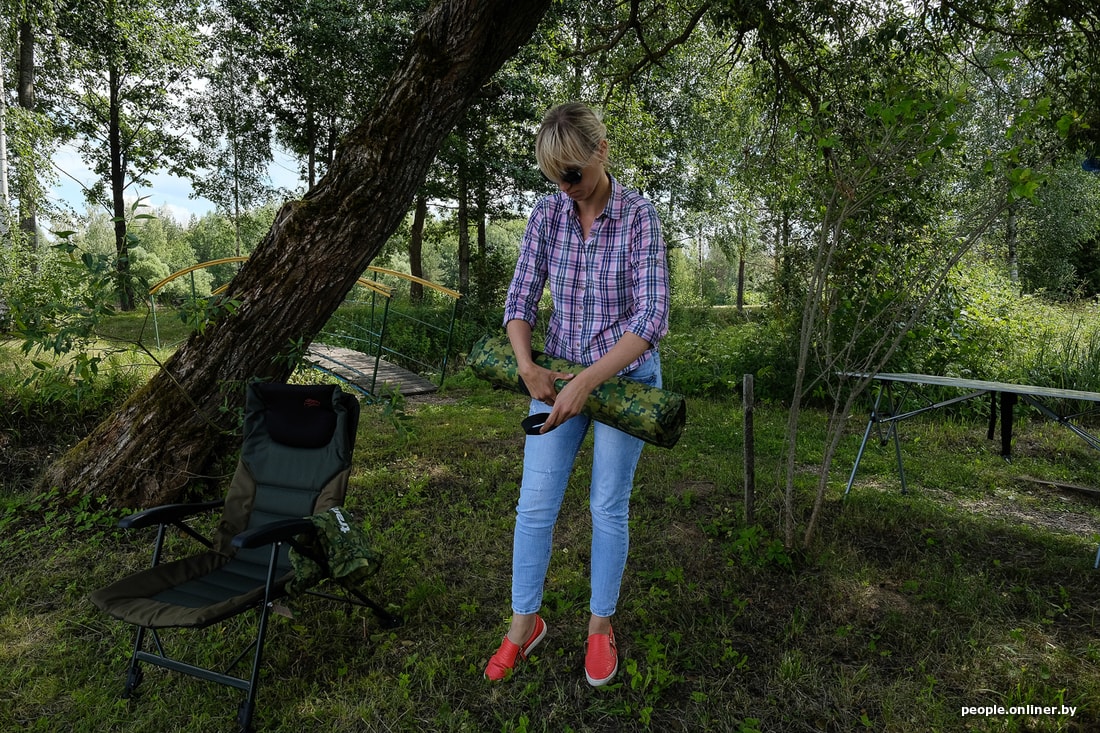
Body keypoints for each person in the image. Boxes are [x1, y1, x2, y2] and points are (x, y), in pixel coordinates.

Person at [484, 102, 670, 686]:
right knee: (535, 504)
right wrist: (527, 366)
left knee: (607, 506)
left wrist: (590, 381)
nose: (565, 187)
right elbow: (519, 300)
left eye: (572, 173)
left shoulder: (639, 217)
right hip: (557, 379)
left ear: (601, 150)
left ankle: (599, 626)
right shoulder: (547, 214)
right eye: (554, 177)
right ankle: (524, 624)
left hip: (626, 384)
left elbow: (652, 317)